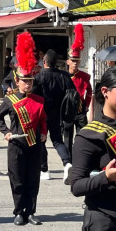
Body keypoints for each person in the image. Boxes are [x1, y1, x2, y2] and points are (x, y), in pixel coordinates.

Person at [0, 32, 47, 226]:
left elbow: (43, 120)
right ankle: (18, 212)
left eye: (30, 81)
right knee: (17, 180)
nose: (27, 84)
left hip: (34, 145)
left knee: (33, 180)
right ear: (17, 81)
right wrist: (5, 131)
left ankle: (31, 211)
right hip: (16, 145)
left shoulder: (39, 100)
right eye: (24, 81)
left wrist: (43, 133)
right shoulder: (10, 100)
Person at [71, 67, 116, 230]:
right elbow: (76, 186)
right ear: (105, 91)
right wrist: (107, 177)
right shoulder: (89, 135)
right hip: (104, 218)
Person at [33, 48, 75, 184]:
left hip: (41, 113)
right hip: (58, 113)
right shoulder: (64, 75)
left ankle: (44, 170)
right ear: (56, 63)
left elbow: (33, 96)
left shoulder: (38, 76)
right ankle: (67, 163)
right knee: (57, 140)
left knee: (41, 141)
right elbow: (73, 93)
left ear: (44, 61)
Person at [64, 24, 92, 157]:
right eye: (73, 60)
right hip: (68, 111)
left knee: (81, 137)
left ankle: (79, 156)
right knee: (67, 138)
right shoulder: (62, 76)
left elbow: (90, 92)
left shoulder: (84, 77)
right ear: (68, 61)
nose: (75, 63)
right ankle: (68, 160)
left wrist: (86, 105)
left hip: (80, 111)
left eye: (77, 61)